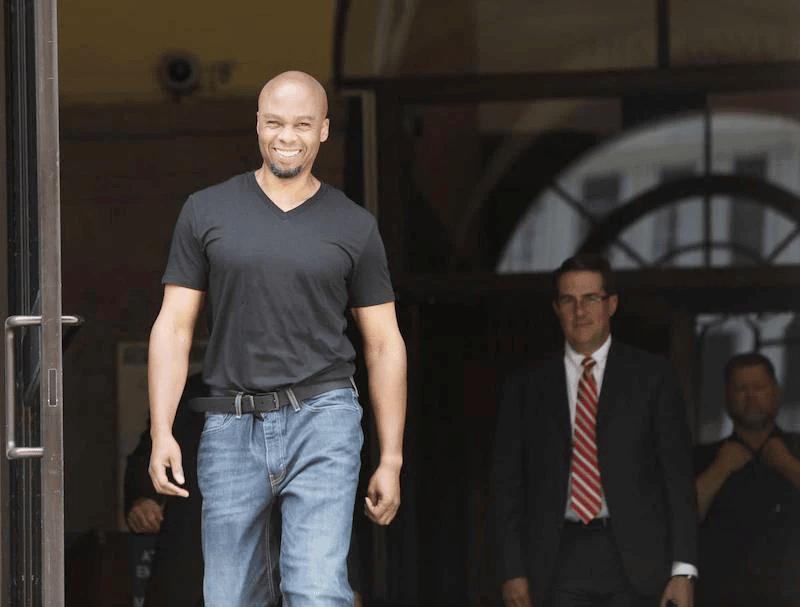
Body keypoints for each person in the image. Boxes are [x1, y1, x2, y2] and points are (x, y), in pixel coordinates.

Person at [147, 70, 407, 607]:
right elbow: (174, 326)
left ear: (325, 131)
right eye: (275, 123)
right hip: (229, 423)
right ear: (257, 125)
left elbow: (384, 342)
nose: (287, 137)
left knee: (316, 592)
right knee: (228, 597)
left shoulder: (355, 225)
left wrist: (392, 457)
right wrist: (161, 431)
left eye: (302, 124)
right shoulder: (205, 210)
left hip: (324, 415)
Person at [492, 254, 698, 607]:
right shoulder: (526, 387)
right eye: (568, 300)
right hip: (555, 560)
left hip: (639, 561)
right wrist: (512, 571)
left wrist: (683, 570)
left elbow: (677, 478)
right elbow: (507, 486)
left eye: (591, 298)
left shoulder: (653, 378)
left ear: (612, 304)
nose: (580, 311)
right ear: (556, 308)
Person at [694, 353, 800, 606]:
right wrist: (721, 468)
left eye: (759, 387)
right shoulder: (703, 458)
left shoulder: (797, 449)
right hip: (721, 597)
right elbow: (680, 523)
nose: (751, 396)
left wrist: (788, 465)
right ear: (727, 398)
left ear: (776, 393)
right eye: (741, 388)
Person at [124, 373, 207, 607]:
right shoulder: (193, 390)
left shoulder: (289, 389)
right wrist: (143, 498)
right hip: (188, 529)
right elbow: (149, 451)